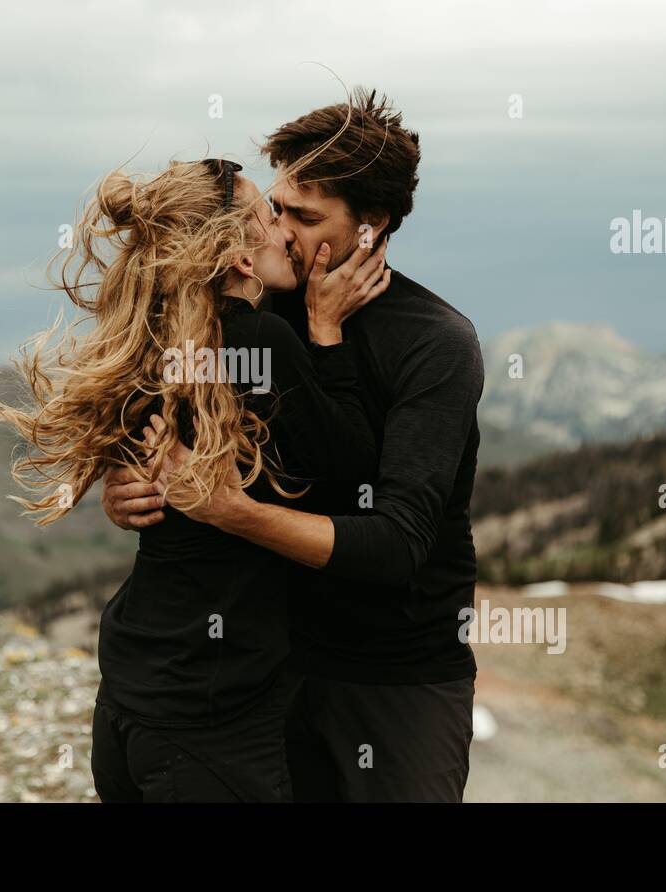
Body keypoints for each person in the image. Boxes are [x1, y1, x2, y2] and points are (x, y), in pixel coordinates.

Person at [103, 89, 485, 802]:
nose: (280, 230)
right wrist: (128, 487)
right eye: (276, 208)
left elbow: (397, 544)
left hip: (394, 676)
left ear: (370, 228)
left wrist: (228, 512)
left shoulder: (436, 342)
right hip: (265, 673)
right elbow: (161, 405)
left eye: (305, 218)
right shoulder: (258, 304)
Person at [0, 155, 389, 801]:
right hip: (211, 708)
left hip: (133, 683)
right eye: (270, 216)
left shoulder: (149, 343)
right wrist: (325, 331)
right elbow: (360, 480)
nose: (286, 230)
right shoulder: (263, 341)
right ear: (241, 259)